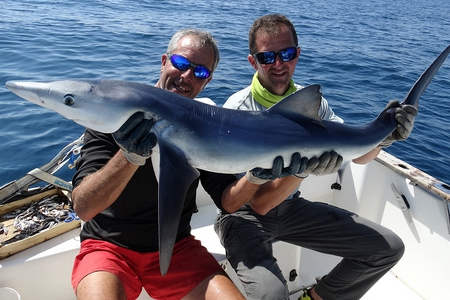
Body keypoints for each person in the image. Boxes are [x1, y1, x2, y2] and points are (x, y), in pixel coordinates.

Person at [214, 14, 416, 300]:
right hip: (243, 217)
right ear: (253, 61)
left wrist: (385, 137)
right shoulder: (238, 110)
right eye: (267, 57)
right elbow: (257, 204)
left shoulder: (311, 103)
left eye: (286, 53)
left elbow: (357, 156)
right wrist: (300, 172)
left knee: (387, 248)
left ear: (297, 54)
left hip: (291, 208)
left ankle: (315, 297)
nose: (279, 64)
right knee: (272, 295)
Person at [71, 29, 245, 300]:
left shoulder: (203, 128)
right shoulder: (112, 113)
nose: (187, 76)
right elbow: (83, 207)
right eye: (181, 64)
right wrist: (129, 156)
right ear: (164, 61)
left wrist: (259, 175)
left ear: (207, 81)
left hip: (177, 249)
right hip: (107, 246)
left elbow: (228, 200)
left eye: (200, 73)